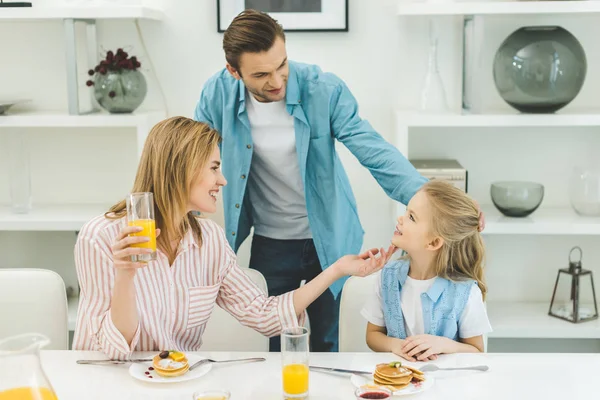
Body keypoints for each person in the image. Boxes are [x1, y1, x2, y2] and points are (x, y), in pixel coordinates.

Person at [193, 9, 434, 352]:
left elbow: (371, 148)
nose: (277, 80)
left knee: (327, 339)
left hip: (330, 239)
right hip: (270, 241)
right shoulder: (217, 94)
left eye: (282, 65)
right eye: (261, 74)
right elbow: (191, 160)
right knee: (276, 341)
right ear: (234, 72)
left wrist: (429, 200)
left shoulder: (323, 89)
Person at [72, 117, 394, 360]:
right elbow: (113, 350)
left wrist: (337, 268)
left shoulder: (208, 241)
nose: (222, 180)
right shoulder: (102, 238)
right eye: (214, 168)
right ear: (182, 169)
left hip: (177, 384)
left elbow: (265, 315)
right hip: (109, 383)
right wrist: (125, 276)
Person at [361, 180, 492, 362]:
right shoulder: (387, 276)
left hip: (446, 385)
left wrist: (444, 345)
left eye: (411, 217)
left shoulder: (465, 292)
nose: (400, 218)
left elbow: (477, 352)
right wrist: (395, 346)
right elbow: (373, 336)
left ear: (433, 243)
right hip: (397, 384)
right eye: (406, 212)